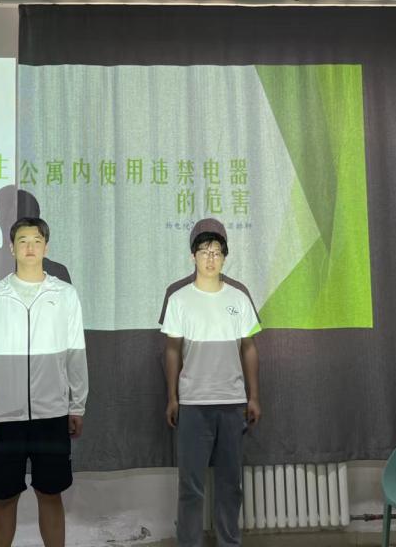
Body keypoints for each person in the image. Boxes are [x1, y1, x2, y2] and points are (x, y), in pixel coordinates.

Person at [0, 217, 88, 547]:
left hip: (52, 414)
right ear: (12, 248)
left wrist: (77, 405)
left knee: (50, 494)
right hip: (5, 416)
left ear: (46, 247)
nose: (30, 247)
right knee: (4, 497)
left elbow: (76, 354)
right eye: (22, 241)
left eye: (36, 240)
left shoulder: (64, 295)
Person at [161, 221, 261, 547]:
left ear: (224, 258)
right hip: (192, 404)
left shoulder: (239, 298)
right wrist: (172, 397)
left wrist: (253, 396)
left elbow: (249, 348)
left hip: (232, 402)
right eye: (204, 251)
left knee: (231, 484)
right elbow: (172, 350)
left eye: (217, 252)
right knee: (191, 486)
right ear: (193, 256)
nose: (210, 258)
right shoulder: (179, 299)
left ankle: (229, 542)